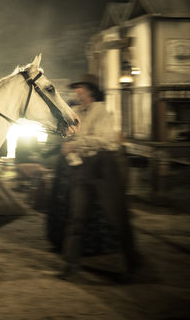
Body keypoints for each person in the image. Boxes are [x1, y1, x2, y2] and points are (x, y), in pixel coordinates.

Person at [58, 74, 140, 281]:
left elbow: (104, 140)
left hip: (104, 166)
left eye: (81, 88)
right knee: (76, 217)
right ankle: (71, 265)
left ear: (91, 91)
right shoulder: (74, 112)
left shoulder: (101, 110)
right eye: (76, 88)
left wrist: (76, 145)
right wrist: (72, 155)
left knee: (117, 216)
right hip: (83, 168)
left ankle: (132, 266)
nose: (77, 92)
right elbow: (69, 138)